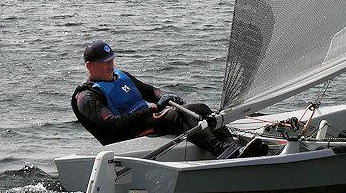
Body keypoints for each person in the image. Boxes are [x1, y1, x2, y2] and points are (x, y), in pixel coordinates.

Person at [71, 39, 242, 157]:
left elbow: (150, 92)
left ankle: (230, 143)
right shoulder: (87, 97)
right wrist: (153, 109)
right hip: (131, 133)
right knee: (180, 116)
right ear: (90, 66)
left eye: (111, 61)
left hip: (149, 118)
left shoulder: (121, 76)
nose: (110, 66)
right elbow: (114, 123)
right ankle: (218, 149)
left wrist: (164, 96)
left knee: (200, 108)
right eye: (105, 63)